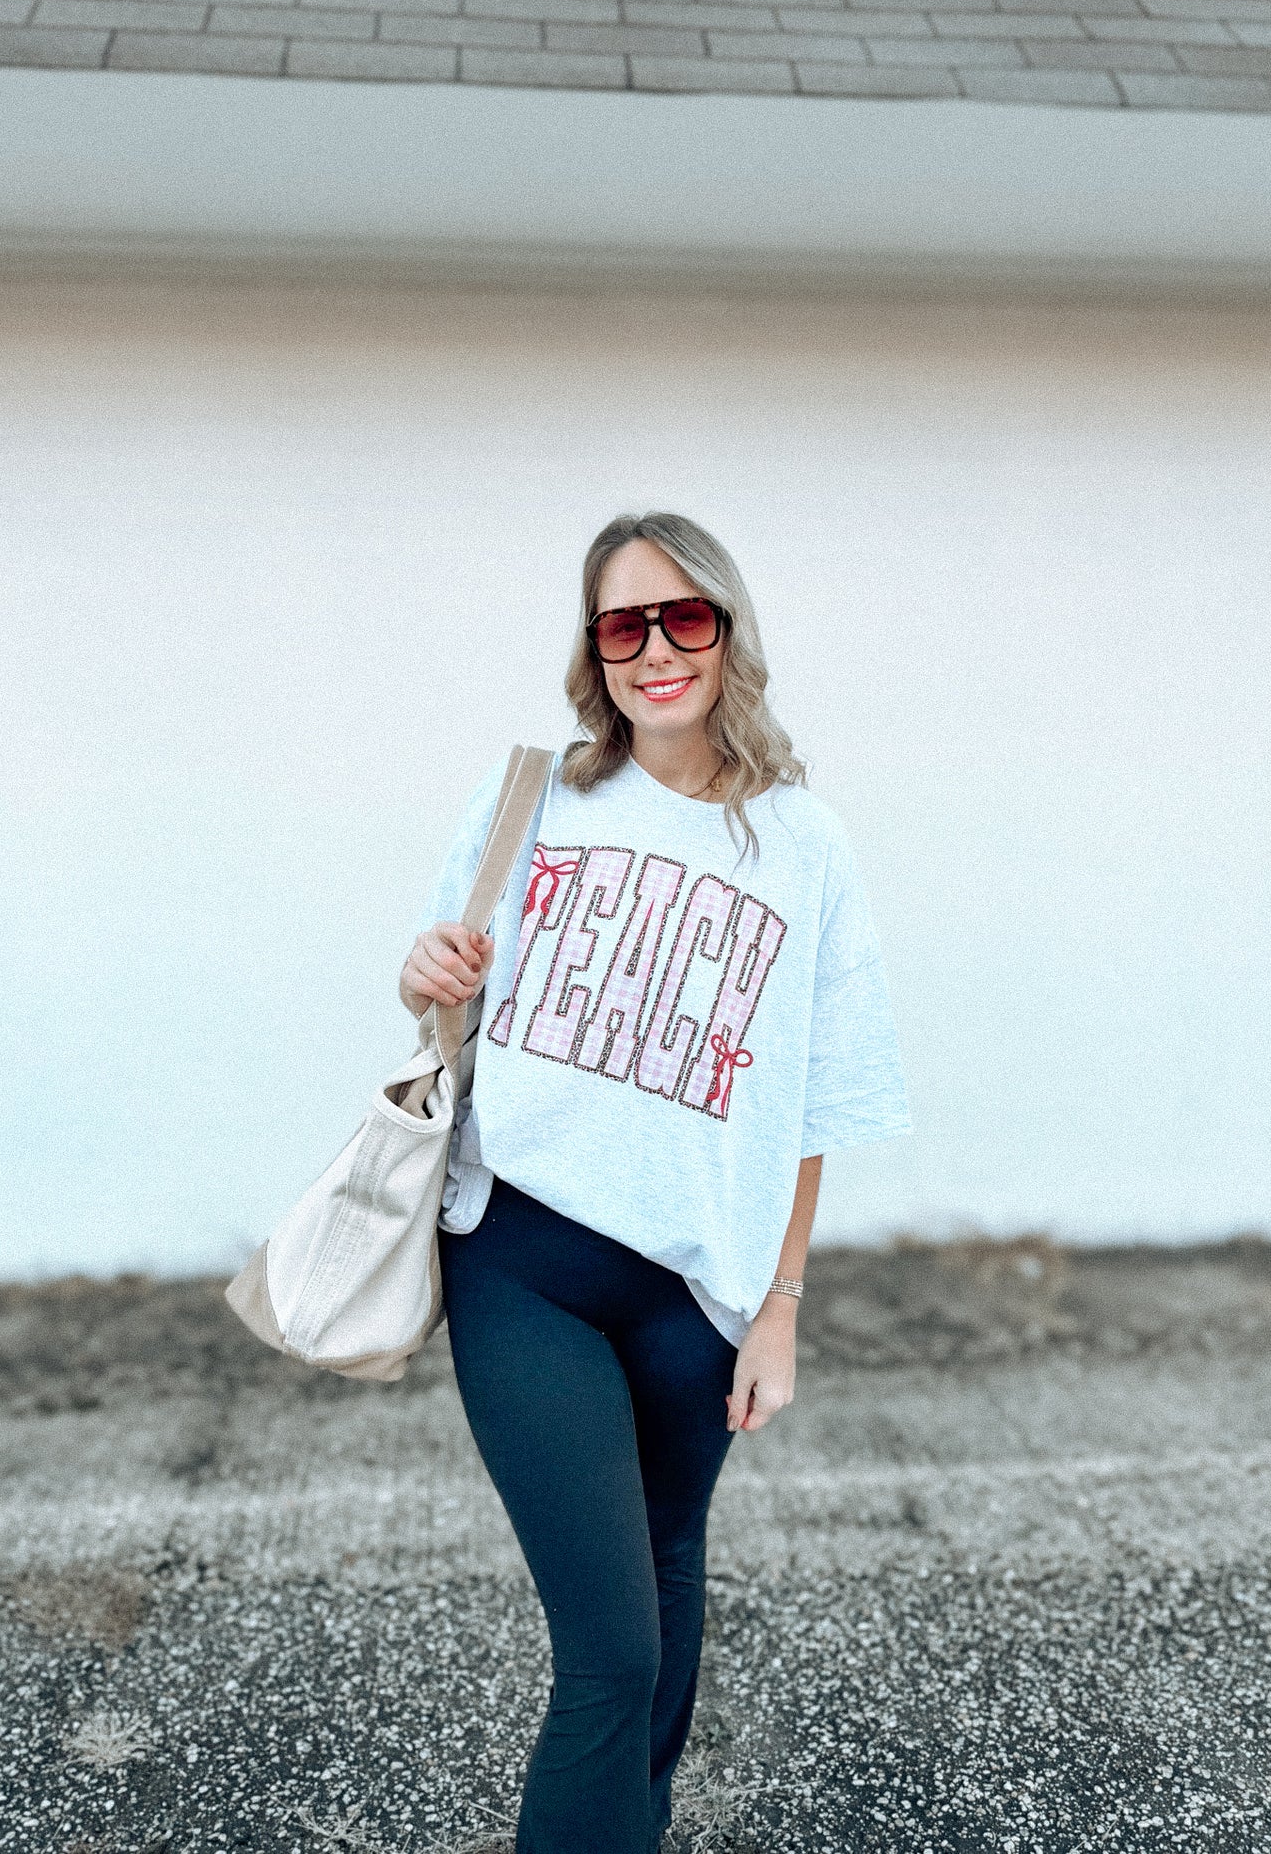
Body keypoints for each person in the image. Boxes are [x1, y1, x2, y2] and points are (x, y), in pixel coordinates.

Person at [400, 511, 912, 1854]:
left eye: (683, 618)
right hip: (527, 1266)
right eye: (622, 626)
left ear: (728, 633)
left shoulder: (802, 844)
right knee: (611, 1657)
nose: (655, 651)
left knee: (670, 1584)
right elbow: (440, 980)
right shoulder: (537, 804)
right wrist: (422, 977)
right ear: (595, 654)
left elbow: (816, 1099)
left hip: (701, 1289)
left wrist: (782, 1308)